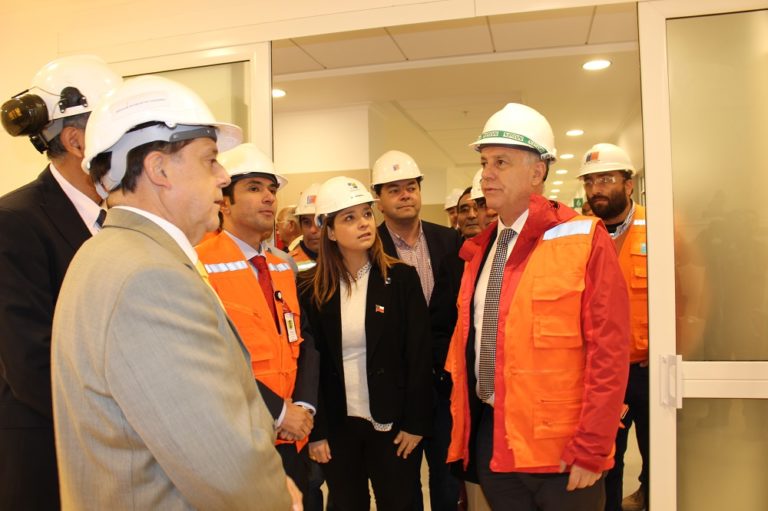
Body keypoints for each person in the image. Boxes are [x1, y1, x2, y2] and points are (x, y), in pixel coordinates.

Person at [51, 75, 296, 510]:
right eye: (209, 160)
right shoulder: (149, 278)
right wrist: (276, 496)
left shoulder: (109, 254)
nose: (223, 177)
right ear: (159, 169)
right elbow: (222, 462)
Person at [445, 102, 630, 511]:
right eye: (484, 161)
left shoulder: (583, 238)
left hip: (563, 452)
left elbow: (610, 351)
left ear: (538, 171)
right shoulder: (481, 249)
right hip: (497, 443)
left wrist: (595, 445)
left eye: (501, 162)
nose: (486, 173)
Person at [0, 55, 122, 509]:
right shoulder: (16, 221)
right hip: (48, 455)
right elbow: (31, 359)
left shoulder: (112, 219)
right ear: (76, 141)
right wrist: (117, 428)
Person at [299, 176, 433, 511]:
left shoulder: (400, 279)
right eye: (349, 218)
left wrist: (417, 424)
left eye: (366, 214)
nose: (363, 224)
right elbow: (310, 364)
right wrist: (316, 432)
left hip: (393, 426)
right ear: (329, 231)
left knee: (401, 502)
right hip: (339, 428)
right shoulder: (310, 288)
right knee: (346, 504)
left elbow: (419, 355)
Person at [196, 142, 319, 506]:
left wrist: (304, 408)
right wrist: (279, 412)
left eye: (272, 189)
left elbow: (305, 341)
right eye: (254, 188)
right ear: (224, 202)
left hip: (293, 434)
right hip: (239, 437)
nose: (268, 197)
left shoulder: (282, 265)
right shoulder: (200, 264)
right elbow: (212, 358)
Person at [371, 149, 462, 510]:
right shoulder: (368, 246)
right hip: (396, 395)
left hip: (443, 389)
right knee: (401, 492)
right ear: (379, 200)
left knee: (447, 485)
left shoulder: (450, 242)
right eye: (394, 189)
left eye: (411, 187)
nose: (405, 194)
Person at [578, 143, 649, 511]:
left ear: (629, 182)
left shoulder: (660, 226)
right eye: (590, 181)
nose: (596, 190)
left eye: (606, 179)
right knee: (607, 460)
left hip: (649, 370)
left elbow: (692, 297)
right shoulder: (580, 235)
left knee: (659, 456)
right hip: (605, 374)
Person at [290, 183, 321, 272]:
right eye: (306, 222)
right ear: (300, 226)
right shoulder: (288, 263)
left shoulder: (346, 259)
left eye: (318, 221)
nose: (313, 230)